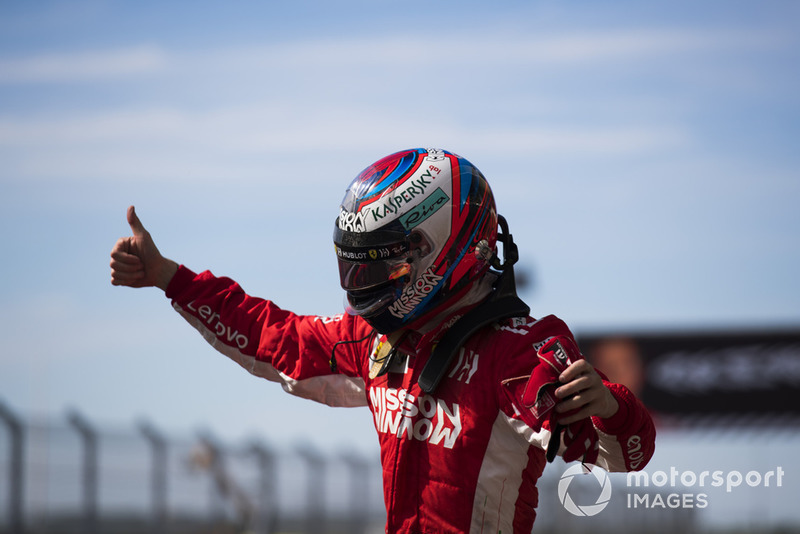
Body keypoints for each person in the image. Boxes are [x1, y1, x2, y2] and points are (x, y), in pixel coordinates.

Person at [110, 148, 655, 533]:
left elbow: (624, 455)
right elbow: (273, 338)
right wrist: (170, 278)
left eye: (382, 264)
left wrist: (609, 406)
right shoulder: (378, 340)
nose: (363, 285)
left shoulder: (521, 350)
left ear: (446, 246)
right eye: (356, 266)